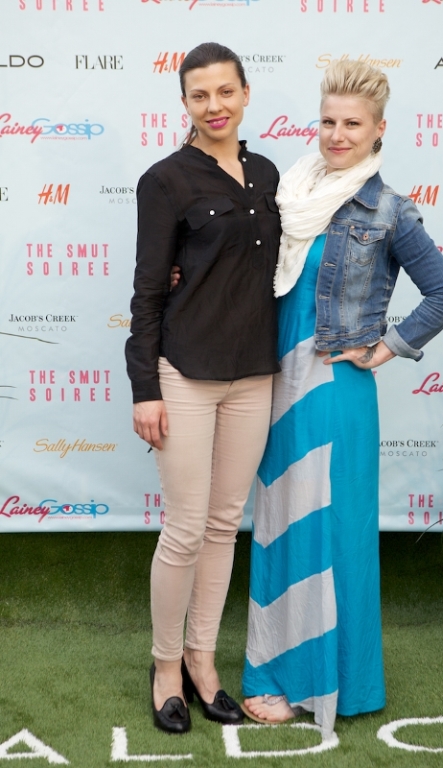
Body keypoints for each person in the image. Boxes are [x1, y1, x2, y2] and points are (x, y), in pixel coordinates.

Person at [241, 59, 443, 738]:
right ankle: (275, 670)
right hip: (275, 379)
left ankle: (331, 682)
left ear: (378, 130)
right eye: (329, 121)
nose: (337, 135)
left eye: (353, 125)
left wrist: (385, 348)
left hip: (334, 389)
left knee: (329, 532)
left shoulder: (387, 209)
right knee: (280, 522)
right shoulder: (291, 192)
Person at [125, 42, 281, 734]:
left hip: (254, 374)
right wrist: (145, 387)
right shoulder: (164, 180)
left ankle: (201, 659)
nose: (214, 106)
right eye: (199, 95)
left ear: (245, 93)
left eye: (225, 91)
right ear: (184, 102)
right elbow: (148, 291)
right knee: (185, 529)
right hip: (184, 373)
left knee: (224, 525)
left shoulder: (268, 174)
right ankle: (165, 667)